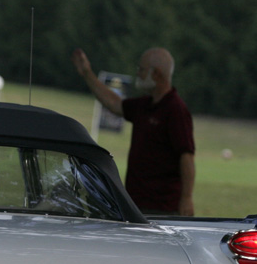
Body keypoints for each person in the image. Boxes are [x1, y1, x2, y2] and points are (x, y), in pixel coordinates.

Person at [72, 47, 195, 216]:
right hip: (136, 203)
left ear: (157, 74)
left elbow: (186, 156)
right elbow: (114, 103)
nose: (138, 73)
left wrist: (186, 198)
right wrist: (87, 73)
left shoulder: (175, 109)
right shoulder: (145, 105)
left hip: (162, 208)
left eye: (142, 69)